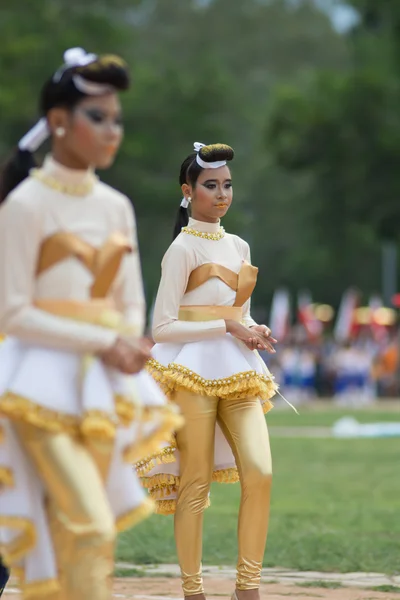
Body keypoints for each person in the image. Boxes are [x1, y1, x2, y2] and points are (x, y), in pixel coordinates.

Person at [0, 47, 180, 600]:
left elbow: (130, 298)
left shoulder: (116, 206)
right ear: (58, 122)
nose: (112, 131)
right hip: (38, 381)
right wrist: (107, 340)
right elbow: (12, 311)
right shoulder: (25, 205)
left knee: (80, 532)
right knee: (89, 525)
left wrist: (127, 341)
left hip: (103, 386)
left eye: (117, 119)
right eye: (97, 117)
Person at [137, 142, 278, 600]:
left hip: (238, 372)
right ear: (188, 191)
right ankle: (193, 590)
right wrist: (228, 325)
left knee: (260, 473)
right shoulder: (181, 248)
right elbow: (161, 327)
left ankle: (248, 587)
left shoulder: (239, 245)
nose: (222, 194)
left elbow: (242, 312)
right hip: (192, 374)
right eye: (211, 186)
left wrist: (254, 328)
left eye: (227, 186)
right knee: (193, 484)